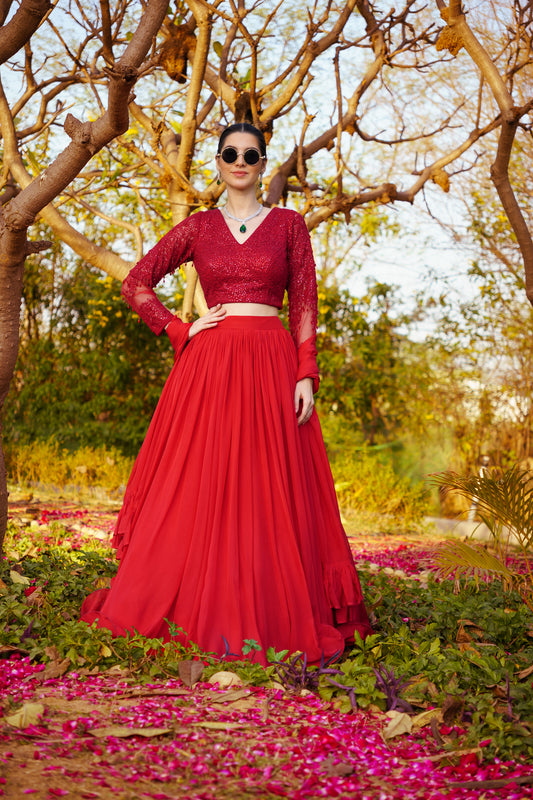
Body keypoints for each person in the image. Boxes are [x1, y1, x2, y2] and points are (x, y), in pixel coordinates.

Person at [81, 122, 372, 664]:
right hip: (210, 363)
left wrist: (306, 371)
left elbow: (305, 302)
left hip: (270, 360)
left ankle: (268, 602)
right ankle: (194, 599)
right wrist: (178, 327)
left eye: (251, 154)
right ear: (218, 161)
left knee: (269, 483)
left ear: (263, 163)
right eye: (230, 153)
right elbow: (136, 282)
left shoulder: (289, 225)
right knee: (200, 480)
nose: (240, 161)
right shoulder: (198, 227)